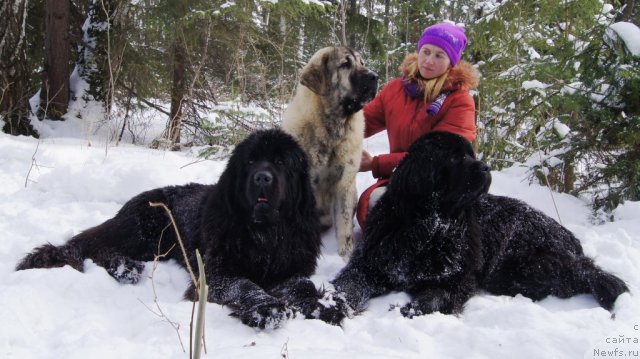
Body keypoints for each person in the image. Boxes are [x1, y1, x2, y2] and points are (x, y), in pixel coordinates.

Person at [356, 22, 480, 228]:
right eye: (426, 51)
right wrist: (328, 126)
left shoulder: (459, 100)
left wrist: (375, 164)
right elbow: (362, 123)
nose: (429, 61)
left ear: (452, 62)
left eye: (439, 55)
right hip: (399, 179)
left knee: (404, 218)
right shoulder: (397, 88)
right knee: (373, 207)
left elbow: (439, 158)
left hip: (440, 185)